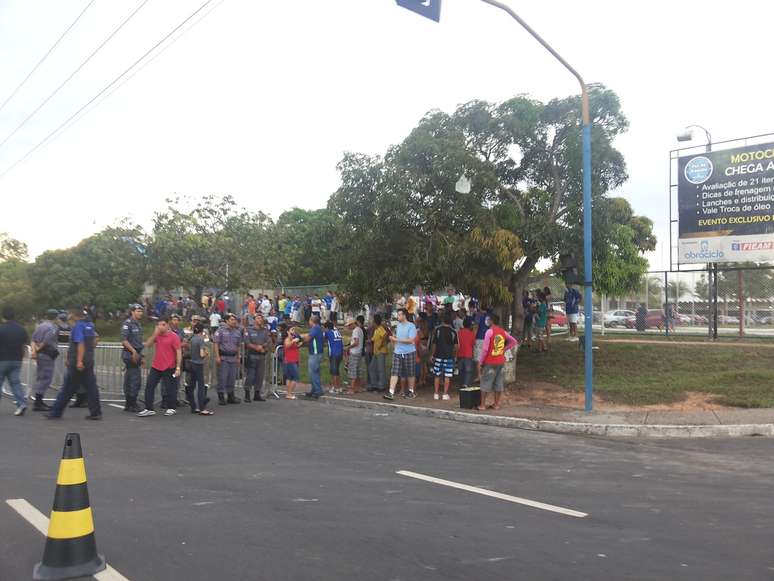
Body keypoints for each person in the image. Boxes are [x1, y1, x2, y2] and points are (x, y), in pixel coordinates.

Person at [47, 309, 102, 420]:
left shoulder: (78, 326)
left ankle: (55, 412)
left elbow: (80, 343)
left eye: (70, 314)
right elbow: (94, 340)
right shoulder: (90, 325)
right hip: (89, 361)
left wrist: (79, 361)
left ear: (74, 315)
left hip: (77, 362)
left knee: (67, 388)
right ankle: (96, 412)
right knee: (91, 388)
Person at [137, 318, 182, 417]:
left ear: (167, 325)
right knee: (149, 386)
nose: (160, 327)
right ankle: (149, 408)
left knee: (170, 388)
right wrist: (154, 334)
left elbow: (178, 352)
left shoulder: (174, 337)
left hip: (169, 366)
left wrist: (178, 367)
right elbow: (147, 345)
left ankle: (172, 407)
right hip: (156, 366)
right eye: (158, 325)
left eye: (162, 325)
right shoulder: (157, 335)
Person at [477, 313, 518, 411]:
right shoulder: (502, 332)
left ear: (491, 321)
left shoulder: (489, 332)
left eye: (488, 319)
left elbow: (485, 349)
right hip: (500, 360)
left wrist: (480, 361)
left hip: (490, 361)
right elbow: (513, 341)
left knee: (485, 382)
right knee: (498, 382)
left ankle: (482, 405)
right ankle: (496, 404)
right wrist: (503, 349)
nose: (487, 321)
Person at [0, 306, 29, 416]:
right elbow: (23, 346)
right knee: (16, 383)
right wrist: (21, 358)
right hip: (16, 360)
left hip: (2, 360)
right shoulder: (21, 329)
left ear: (3, 316)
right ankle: (21, 404)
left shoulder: (1, 329)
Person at [29, 309, 60, 411]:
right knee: (46, 378)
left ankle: (39, 401)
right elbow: (46, 341)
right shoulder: (52, 328)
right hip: (47, 354)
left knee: (41, 377)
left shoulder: (40, 326)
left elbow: (33, 339)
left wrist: (34, 351)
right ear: (55, 317)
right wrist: (38, 349)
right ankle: (38, 402)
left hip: (41, 355)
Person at [384, 308, 417, 400]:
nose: (397, 316)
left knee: (410, 373)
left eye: (399, 315)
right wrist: (394, 340)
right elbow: (397, 338)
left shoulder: (411, 326)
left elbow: (411, 340)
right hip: (398, 352)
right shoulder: (398, 326)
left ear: (404, 315)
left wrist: (396, 340)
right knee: (394, 372)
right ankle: (391, 392)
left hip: (409, 352)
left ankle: (411, 391)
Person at [213, 313, 243, 405]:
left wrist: (238, 357)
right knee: (222, 377)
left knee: (232, 378)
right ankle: (221, 396)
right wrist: (217, 356)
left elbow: (238, 346)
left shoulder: (237, 332)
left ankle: (231, 396)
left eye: (234, 320)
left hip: (233, 357)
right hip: (223, 357)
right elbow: (216, 344)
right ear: (227, 321)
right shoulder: (220, 331)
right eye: (232, 319)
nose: (234, 321)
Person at [120, 304, 145, 412]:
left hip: (136, 353)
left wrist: (141, 355)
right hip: (130, 354)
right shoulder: (128, 323)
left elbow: (138, 342)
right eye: (138, 311)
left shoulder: (138, 324)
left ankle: (129, 403)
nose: (140, 313)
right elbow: (124, 340)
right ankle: (132, 403)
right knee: (135, 379)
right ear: (132, 312)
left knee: (130, 378)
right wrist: (134, 351)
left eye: (141, 311)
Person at [430, 312, 458, 401]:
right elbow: (456, 346)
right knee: (447, 376)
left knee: (437, 375)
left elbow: (434, 344)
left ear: (442, 321)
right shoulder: (454, 332)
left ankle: (436, 393)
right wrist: (454, 355)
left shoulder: (437, 330)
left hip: (438, 356)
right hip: (449, 357)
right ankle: (445, 394)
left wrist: (432, 354)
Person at [186, 323, 213, 415]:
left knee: (191, 386)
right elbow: (202, 354)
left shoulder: (192, 339)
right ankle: (202, 408)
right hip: (199, 364)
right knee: (201, 387)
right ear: (202, 331)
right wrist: (206, 353)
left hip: (192, 363)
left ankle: (193, 406)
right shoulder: (201, 340)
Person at [244, 314, 272, 402]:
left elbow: (268, 341)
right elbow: (247, 342)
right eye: (258, 318)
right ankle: (247, 394)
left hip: (262, 356)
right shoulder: (249, 330)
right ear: (254, 320)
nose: (260, 320)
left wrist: (265, 347)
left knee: (260, 376)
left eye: (261, 318)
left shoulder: (265, 330)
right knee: (250, 376)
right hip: (252, 355)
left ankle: (257, 393)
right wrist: (257, 348)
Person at [302, 315, 325, 399]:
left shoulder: (315, 328)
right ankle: (314, 389)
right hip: (318, 353)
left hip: (315, 353)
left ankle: (318, 390)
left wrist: (301, 340)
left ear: (312, 321)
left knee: (313, 373)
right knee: (316, 372)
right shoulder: (318, 328)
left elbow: (308, 338)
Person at [368, 314, 389, 392]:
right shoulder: (376, 330)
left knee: (381, 369)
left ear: (375, 322)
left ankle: (382, 385)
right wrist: (368, 341)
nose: (372, 323)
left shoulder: (380, 328)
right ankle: (374, 384)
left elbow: (385, 335)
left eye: (372, 321)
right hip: (376, 352)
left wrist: (381, 344)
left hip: (381, 351)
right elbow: (373, 339)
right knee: (372, 367)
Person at [345, 316, 365, 394]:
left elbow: (356, 342)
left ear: (353, 324)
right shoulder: (360, 330)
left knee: (353, 371)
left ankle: (352, 389)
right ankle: (358, 387)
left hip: (354, 352)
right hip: (359, 352)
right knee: (358, 370)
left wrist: (348, 347)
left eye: (349, 325)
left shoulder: (355, 331)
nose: (349, 327)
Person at [324, 321, 344, 394]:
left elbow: (323, 337)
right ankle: (338, 386)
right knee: (337, 371)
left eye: (324, 328)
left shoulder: (328, 332)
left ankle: (335, 387)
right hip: (340, 353)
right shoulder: (337, 331)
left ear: (327, 328)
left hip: (334, 353)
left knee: (334, 371)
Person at [283, 327, 303, 400]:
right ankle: (289, 393)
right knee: (295, 377)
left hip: (294, 359)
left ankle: (288, 393)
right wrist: (293, 341)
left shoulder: (293, 339)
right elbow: (287, 345)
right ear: (288, 332)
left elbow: (295, 347)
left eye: (294, 330)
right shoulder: (287, 339)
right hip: (290, 360)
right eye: (292, 330)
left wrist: (299, 344)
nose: (293, 331)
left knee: (290, 377)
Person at [457, 317, 475, 388]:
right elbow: (473, 344)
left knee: (461, 370)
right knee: (468, 370)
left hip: (460, 353)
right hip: (468, 354)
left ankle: (461, 383)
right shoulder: (472, 333)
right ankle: (466, 384)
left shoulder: (459, 332)